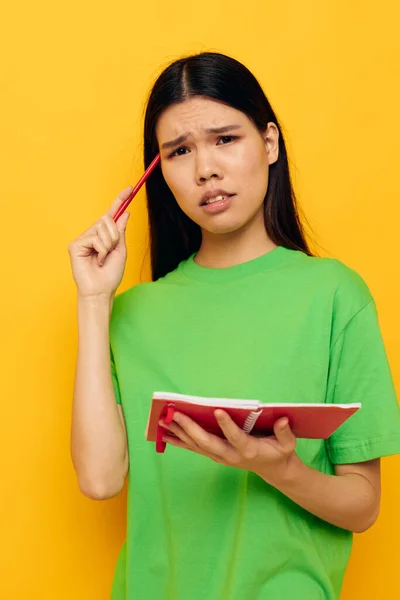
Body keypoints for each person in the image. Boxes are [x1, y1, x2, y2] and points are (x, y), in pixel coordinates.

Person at [68, 52, 400, 600]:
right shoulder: (130, 314)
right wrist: (94, 298)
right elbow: (100, 481)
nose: (205, 170)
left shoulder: (336, 295)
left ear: (269, 143)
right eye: (179, 152)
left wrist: (279, 468)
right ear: (160, 173)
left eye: (225, 139)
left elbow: (363, 504)